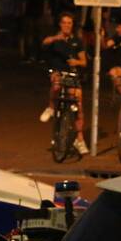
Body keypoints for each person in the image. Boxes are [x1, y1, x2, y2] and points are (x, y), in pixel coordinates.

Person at [39, 12, 89, 156]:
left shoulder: (77, 41)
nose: (67, 25)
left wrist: (76, 62)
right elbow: (44, 42)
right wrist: (56, 38)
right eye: (64, 22)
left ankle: (79, 139)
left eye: (69, 23)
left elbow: (84, 61)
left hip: (72, 75)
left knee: (78, 105)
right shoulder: (54, 38)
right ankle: (51, 107)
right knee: (56, 84)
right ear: (60, 24)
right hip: (57, 72)